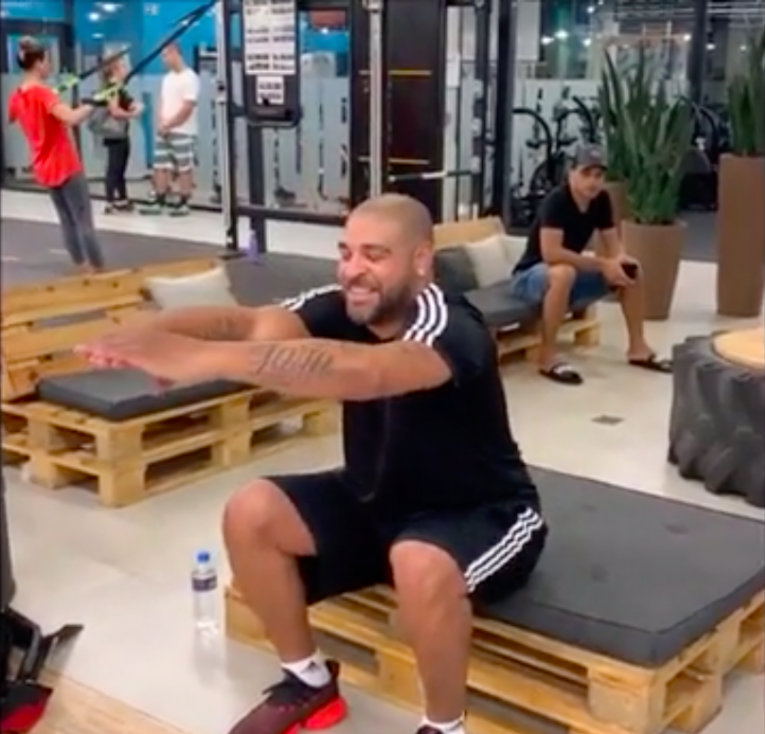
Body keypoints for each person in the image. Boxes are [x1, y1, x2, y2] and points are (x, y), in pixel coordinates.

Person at [78, 194, 548, 734]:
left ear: (421, 259)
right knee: (251, 511)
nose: (353, 270)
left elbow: (366, 372)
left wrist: (199, 359)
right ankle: (308, 680)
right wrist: (156, 332)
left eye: (375, 255)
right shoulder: (345, 305)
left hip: (480, 513)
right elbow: (250, 324)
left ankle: (444, 727)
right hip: (378, 503)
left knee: (418, 560)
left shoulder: (451, 326)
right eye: (346, 253)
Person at [510, 144, 672, 385]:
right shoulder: (556, 201)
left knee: (632, 269)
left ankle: (637, 347)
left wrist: (619, 262)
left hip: (568, 276)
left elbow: (614, 246)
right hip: (529, 278)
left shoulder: (601, 200)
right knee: (563, 273)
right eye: (586, 174)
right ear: (571, 173)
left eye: (598, 175)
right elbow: (551, 253)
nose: (593, 182)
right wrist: (602, 264)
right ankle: (547, 355)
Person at [7, 36, 105, 274]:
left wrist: (45, 102)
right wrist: (94, 103)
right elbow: (71, 118)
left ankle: (81, 265)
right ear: (38, 63)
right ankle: (99, 268)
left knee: (67, 220)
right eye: (48, 61)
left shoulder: (17, 96)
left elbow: (12, 117)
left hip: (44, 167)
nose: (50, 66)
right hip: (65, 164)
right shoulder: (43, 94)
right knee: (83, 220)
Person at [140, 42, 200, 217]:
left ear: (175, 54)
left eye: (166, 55)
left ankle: (184, 201)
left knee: (184, 166)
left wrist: (171, 124)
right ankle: (159, 198)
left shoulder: (190, 78)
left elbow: (187, 107)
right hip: (165, 129)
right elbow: (163, 102)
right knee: (160, 165)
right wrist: (161, 123)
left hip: (183, 130)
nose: (164, 60)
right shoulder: (167, 79)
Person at [99, 56, 143, 213]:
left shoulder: (120, 87)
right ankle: (110, 201)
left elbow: (128, 102)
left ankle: (122, 199)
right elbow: (115, 111)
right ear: (115, 70)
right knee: (114, 167)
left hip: (121, 132)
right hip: (114, 133)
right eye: (123, 66)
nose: (126, 69)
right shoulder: (112, 88)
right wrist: (132, 114)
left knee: (120, 167)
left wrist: (135, 107)